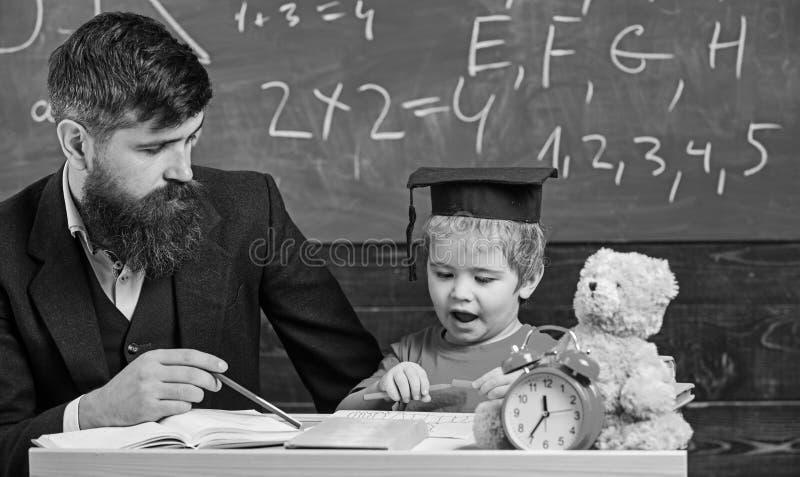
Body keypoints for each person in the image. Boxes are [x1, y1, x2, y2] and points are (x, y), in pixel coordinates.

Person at [0, 12, 382, 476]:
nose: (183, 170)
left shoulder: (251, 206)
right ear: (77, 144)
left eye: (191, 139)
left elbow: (358, 388)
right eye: (154, 148)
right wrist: (92, 412)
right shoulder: (3, 246)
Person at [338, 167, 558, 412]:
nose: (459, 293)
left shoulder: (549, 357)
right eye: (444, 274)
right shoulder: (412, 354)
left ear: (528, 279)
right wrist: (383, 389)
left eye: (483, 279)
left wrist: (544, 391)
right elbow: (344, 411)